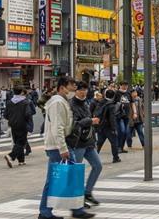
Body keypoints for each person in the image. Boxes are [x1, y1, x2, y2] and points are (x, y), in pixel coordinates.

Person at [38, 76, 94, 219]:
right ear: (62, 87)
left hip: (61, 145)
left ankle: (75, 208)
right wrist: (63, 148)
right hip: (58, 146)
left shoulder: (61, 101)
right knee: (56, 178)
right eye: (71, 86)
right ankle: (47, 212)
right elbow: (58, 127)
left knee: (69, 176)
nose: (74, 89)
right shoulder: (57, 102)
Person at [66, 81, 103, 209]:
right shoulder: (71, 104)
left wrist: (94, 140)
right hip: (77, 143)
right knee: (77, 171)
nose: (83, 92)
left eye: (85, 90)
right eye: (81, 90)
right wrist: (90, 121)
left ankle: (87, 192)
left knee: (98, 166)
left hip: (88, 142)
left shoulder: (86, 103)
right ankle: (78, 198)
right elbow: (75, 123)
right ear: (75, 90)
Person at [4, 85, 31, 167]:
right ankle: (10, 156)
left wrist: (11, 119)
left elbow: (5, 115)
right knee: (21, 142)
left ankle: (21, 160)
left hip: (12, 124)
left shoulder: (9, 102)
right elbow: (28, 114)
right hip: (22, 124)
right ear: (22, 92)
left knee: (17, 142)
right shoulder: (25, 102)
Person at [95, 89, 120, 163]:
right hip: (108, 127)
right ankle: (115, 158)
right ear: (113, 96)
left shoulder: (101, 102)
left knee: (99, 143)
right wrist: (114, 128)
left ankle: (94, 157)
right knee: (114, 142)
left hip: (100, 126)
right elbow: (112, 118)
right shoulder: (111, 105)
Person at [115, 82, 132, 153]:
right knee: (122, 131)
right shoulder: (116, 93)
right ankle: (118, 147)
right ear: (120, 86)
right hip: (119, 116)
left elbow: (132, 103)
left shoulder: (128, 93)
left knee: (125, 132)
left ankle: (121, 147)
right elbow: (113, 103)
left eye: (126, 85)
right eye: (124, 85)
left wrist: (134, 112)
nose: (125, 87)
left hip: (126, 115)